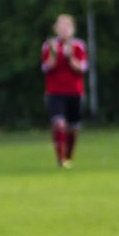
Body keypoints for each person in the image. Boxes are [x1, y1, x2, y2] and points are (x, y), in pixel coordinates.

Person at [40, 14, 88, 168]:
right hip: (55, 92)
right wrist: (54, 54)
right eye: (60, 27)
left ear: (72, 29)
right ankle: (60, 159)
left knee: (73, 128)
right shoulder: (49, 46)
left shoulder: (78, 46)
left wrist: (70, 57)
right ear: (56, 29)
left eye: (66, 27)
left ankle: (68, 157)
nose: (63, 30)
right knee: (59, 124)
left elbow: (81, 68)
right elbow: (47, 67)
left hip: (74, 91)